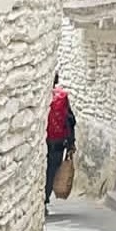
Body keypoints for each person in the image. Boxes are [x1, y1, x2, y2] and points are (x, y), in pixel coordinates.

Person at [45, 74, 76, 207]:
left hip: (45, 141)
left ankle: (42, 197)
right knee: (52, 171)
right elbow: (70, 121)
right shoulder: (62, 98)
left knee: (44, 169)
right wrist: (71, 143)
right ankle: (45, 198)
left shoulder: (45, 99)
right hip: (58, 142)